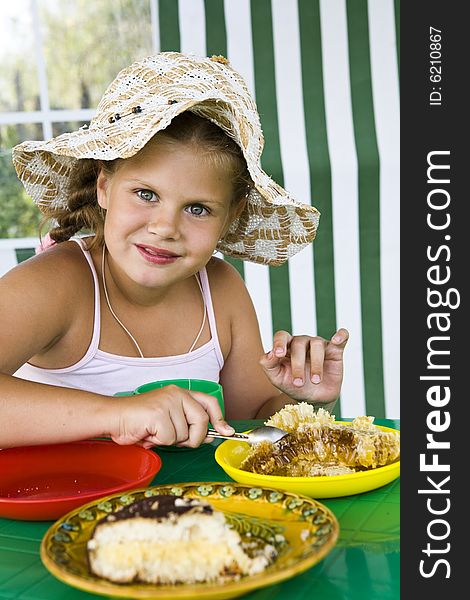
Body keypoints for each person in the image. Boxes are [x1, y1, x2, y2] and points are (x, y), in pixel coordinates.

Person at [1, 52, 348, 449]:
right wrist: (118, 414)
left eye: (197, 208)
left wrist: (301, 397)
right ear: (104, 187)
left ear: (230, 218)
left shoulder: (220, 291)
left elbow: (247, 423)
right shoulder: (56, 282)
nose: (165, 228)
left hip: (190, 508)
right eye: (146, 194)